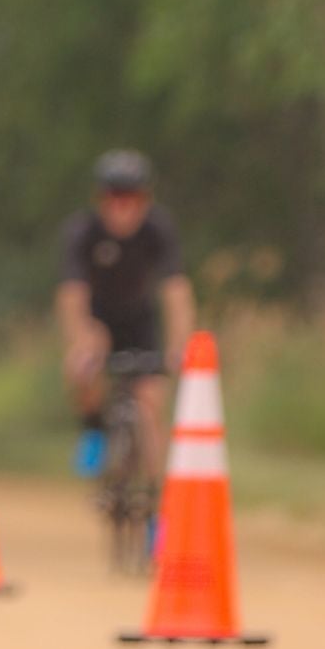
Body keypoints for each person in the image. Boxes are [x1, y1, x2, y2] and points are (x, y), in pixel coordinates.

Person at [57, 150, 196, 510]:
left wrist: (182, 345)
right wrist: (79, 338)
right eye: (114, 197)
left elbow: (176, 289)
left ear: (144, 200)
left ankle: (155, 500)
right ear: (100, 200)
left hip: (140, 321)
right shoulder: (82, 232)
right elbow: (72, 294)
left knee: (151, 403)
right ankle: (92, 429)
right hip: (97, 319)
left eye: (130, 198)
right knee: (85, 360)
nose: (122, 207)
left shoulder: (158, 229)